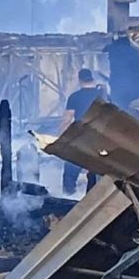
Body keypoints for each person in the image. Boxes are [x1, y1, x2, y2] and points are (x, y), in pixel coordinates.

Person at [60, 68, 106, 196]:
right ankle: (93, 200)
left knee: (70, 169)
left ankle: (68, 197)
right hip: (99, 138)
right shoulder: (103, 95)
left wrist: (62, 140)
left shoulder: (75, 97)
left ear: (80, 80)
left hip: (80, 138)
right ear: (92, 79)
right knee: (96, 172)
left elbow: (67, 120)